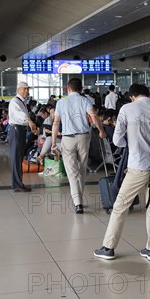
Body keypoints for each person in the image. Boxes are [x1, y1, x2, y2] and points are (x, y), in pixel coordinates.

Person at [94, 84, 150, 261]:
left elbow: (117, 140)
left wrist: (132, 141)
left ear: (132, 96)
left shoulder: (127, 108)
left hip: (138, 166)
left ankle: (108, 247)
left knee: (120, 206)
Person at [52, 78, 105, 214]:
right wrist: (101, 130)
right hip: (83, 138)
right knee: (82, 170)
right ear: (81, 89)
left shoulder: (61, 102)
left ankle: (78, 203)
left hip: (68, 139)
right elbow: (93, 116)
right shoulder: (85, 100)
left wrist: (53, 142)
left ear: (68, 89)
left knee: (72, 172)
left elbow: (56, 123)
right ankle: (79, 200)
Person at [8, 82, 37, 192]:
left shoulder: (22, 102)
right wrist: (29, 121)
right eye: (25, 89)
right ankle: (17, 184)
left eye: (28, 89)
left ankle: (18, 183)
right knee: (16, 157)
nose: (27, 91)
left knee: (19, 157)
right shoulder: (15, 101)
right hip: (16, 130)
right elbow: (20, 115)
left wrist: (30, 124)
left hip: (21, 129)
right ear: (18, 89)